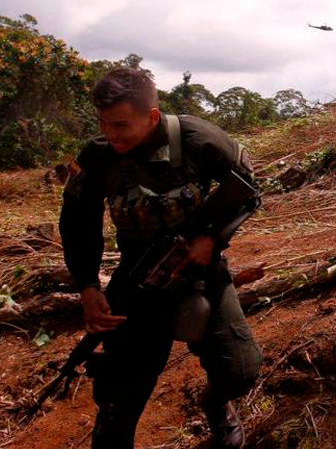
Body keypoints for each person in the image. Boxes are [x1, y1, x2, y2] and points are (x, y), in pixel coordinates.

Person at [60, 68, 263, 448]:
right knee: (121, 389)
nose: (111, 135)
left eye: (121, 125)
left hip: (201, 266)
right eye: (103, 124)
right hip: (138, 276)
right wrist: (87, 286)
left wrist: (213, 239)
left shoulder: (196, 139)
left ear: (152, 116)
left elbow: (248, 191)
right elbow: (77, 224)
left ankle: (217, 406)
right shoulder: (96, 156)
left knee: (239, 371)